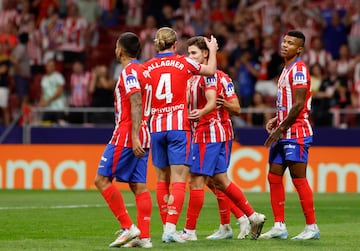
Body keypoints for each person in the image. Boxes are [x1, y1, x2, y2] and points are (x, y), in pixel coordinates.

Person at [180, 36, 265, 242]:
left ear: (206, 54)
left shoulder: (214, 77)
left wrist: (220, 104)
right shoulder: (198, 76)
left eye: (193, 53)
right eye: (188, 52)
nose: (188, 57)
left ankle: (189, 231)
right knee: (218, 179)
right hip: (213, 133)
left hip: (209, 132)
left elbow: (236, 107)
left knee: (198, 180)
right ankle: (250, 216)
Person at [142, 27, 218, 243]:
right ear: (175, 45)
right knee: (179, 179)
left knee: (160, 179)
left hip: (155, 127)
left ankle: (166, 225)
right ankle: (170, 229)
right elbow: (211, 71)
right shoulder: (184, 62)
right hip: (178, 127)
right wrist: (211, 50)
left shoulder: (147, 67)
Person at [94, 32, 153, 248]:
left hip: (129, 132)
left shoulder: (128, 71)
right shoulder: (145, 70)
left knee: (101, 180)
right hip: (145, 131)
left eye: (116, 46)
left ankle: (128, 227)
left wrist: (134, 135)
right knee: (139, 185)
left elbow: (136, 101)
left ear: (120, 49)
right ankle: (144, 238)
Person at [260, 30, 320, 240]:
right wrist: (277, 119)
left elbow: (299, 104)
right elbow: (287, 105)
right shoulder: (285, 69)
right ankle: (279, 226)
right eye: (284, 41)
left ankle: (311, 227)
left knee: (298, 178)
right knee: (274, 175)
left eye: (291, 43)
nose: (285, 45)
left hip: (296, 132)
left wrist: (280, 128)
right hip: (283, 129)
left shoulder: (300, 69)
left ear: (300, 49)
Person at [38, 58, 67, 125]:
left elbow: (59, 92)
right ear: (46, 66)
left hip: (58, 109)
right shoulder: (44, 79)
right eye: (49, 65)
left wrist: (48, 101)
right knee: (45, 129)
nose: (50, 67)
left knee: (59, 130)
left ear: (54, 67)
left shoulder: (58, 76)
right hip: (48, 109)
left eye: (52, 66)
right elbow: (43, 93)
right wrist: (41, 103)